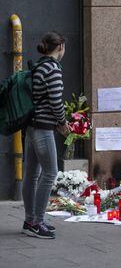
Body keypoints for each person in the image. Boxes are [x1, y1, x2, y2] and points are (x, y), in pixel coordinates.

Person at [22, 31, 70, 239]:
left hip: (31, 126)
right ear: (60, 47)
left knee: (32, 175)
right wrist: (62, 122)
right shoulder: (53, 69)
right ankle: (37, 222)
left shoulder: (39, 65)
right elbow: (56, 101)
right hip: (43, 127)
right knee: (50, 172)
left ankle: (30, 220)